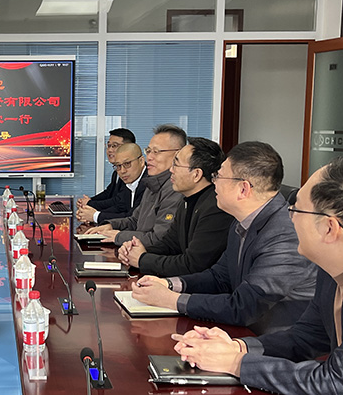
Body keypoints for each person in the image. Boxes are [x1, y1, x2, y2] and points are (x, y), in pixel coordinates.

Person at [172, 157, 343, 395]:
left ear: (329, 228)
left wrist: (236, 363)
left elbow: (336, 382)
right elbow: (304, 338)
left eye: (296, 209)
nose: (289, 217)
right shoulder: (330, 272)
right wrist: (237, 347)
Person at [132, 141, 316, 334]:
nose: (214, 182)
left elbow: (243, 307)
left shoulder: (284, 235)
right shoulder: (242, 220)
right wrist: (170, 284)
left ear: (243, 189)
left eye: (218, 176)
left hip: (274, 343)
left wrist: (171, 300)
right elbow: (219, 277)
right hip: (241, 333)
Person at [118, 137, 233, 277]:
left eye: (176, 165)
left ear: (196, 174)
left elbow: (192, 265)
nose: (171, 170)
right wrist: (136, 251)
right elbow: (170, 244)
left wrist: (142, 259)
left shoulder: (215, 208)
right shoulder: (186, 201)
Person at [85, 124, 186, 246]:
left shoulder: (175, 189)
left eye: (156, 152)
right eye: (148, 151)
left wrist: (118, 236)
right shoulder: (152, 183)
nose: (149, 157)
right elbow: (134, 220)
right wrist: (111, 225)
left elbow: (160, 239)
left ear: (178, 155)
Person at [76, 128, 144, 223]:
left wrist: (94, 214)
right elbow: (114, 199)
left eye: (114, 146)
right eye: (108, 146)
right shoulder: (119, 173)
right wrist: (90, 211)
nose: (110, 150)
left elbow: (129, 214)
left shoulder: (146, 182)